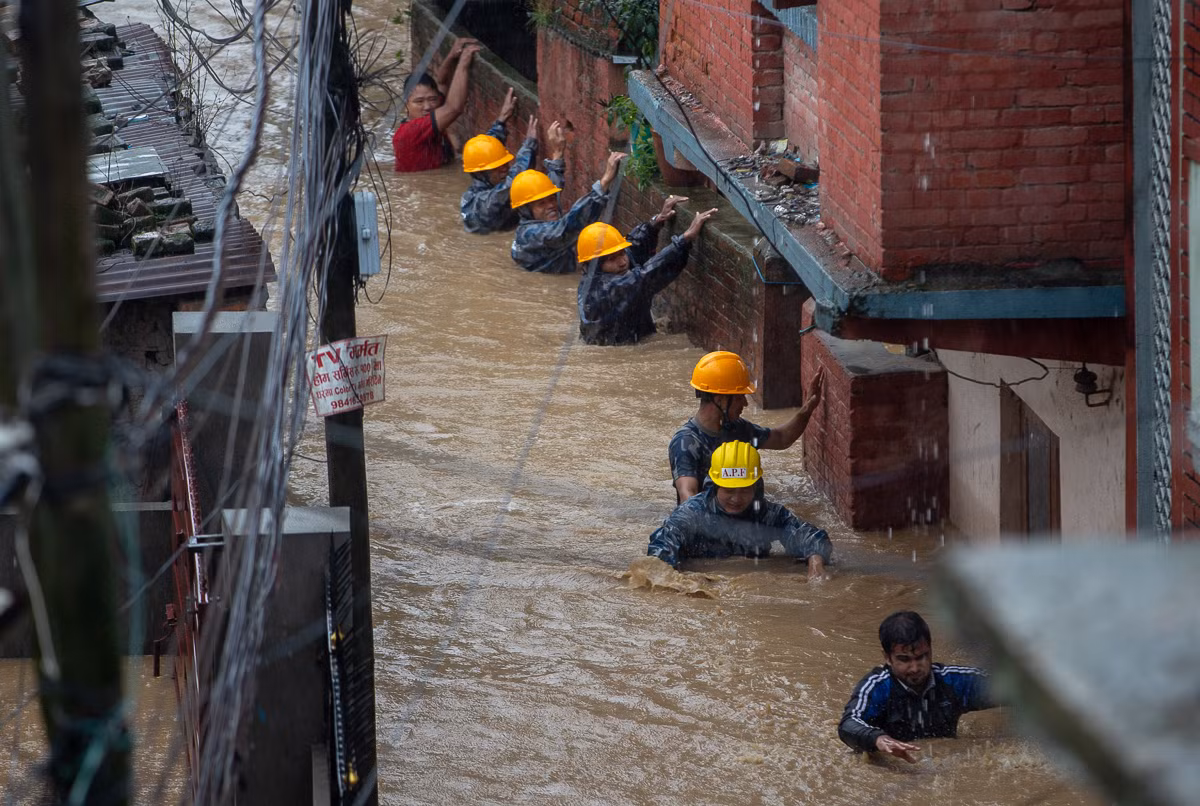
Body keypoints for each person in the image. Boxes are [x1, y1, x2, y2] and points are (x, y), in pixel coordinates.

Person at [646, 441, 831, 580]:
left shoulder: (767, 514)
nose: (736, 498)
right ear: (715, 486)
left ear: (756, 488)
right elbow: (660, 552)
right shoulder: (691, 514)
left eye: (744, 490)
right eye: (729, 490)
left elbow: (810, 536)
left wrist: (815, 564)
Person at [838, 610, 996, 763]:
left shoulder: (953, 682)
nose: (914, 668)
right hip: (898, 769)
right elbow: (848, 724)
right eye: (904, 659)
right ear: (887, 657)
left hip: (947, 766)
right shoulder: (878, 687)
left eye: (921, 657)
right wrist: (878, 739)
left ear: (931, 649)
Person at [668, 351, 825, 504]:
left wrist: (807, 408)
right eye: (739, 397)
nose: (745, 403)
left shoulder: (738, 429)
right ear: (720, 399)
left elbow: (782, 439)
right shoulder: (686, 442)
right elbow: (688, 496)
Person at [576, 196, 717, 345]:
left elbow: (633, 247)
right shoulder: (602, 290)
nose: (623, 261)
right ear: (593, 265)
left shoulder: (610, 269)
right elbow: (645, 277)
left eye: (621, 253)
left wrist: (655, 223)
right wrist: (684, 239)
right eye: (612, 259)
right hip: (614, 352)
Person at [510, 150, 626, 274]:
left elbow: (553, 187)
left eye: (551, 199)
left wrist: (557, 155)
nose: (551, 206)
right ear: (525, 210)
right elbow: (566, 227)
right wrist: (605, 182)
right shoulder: (530, 235)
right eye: (541, 203)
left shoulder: (540, 218)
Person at [393, 38, 482, 172]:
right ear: (405, 105)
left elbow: (442, 82)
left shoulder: (433, 112)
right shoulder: (410, 131)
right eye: (419, 101)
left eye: (432, 99)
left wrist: (452, 56)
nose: (428, 106)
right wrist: (463, 63)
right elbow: (454, 108)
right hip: (420, 186)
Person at [461, 89, 538, 234]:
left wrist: (501, 121)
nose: (505, 169)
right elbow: (513, 182)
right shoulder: (485, 202)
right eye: (498, 168)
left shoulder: (481, 181)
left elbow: (486, 150)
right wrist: (529, 145)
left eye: (505, 164)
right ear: (481, 173)